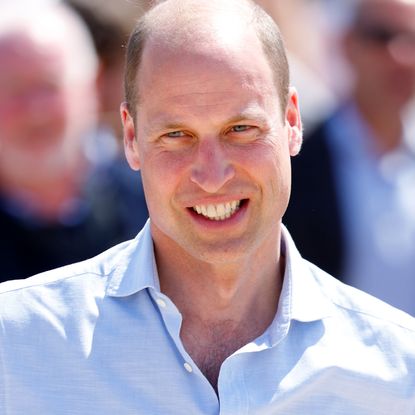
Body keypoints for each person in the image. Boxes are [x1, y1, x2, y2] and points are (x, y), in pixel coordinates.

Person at [1, 0, 415, 413]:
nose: (213, 175)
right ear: (130, 137)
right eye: (177, 135)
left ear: (291, 121)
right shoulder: (16, 341)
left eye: (240, 129)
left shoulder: (397, 371)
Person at [284, 0, 415, 315]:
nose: (400, 56)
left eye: (412, 40)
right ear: (345, 45)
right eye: (381, 36)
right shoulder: (296, 159)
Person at [0, 1, 147, 282]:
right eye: (14, 90)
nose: (35, 112)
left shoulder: (152, 200)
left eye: (49, 86)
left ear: (93, 85)